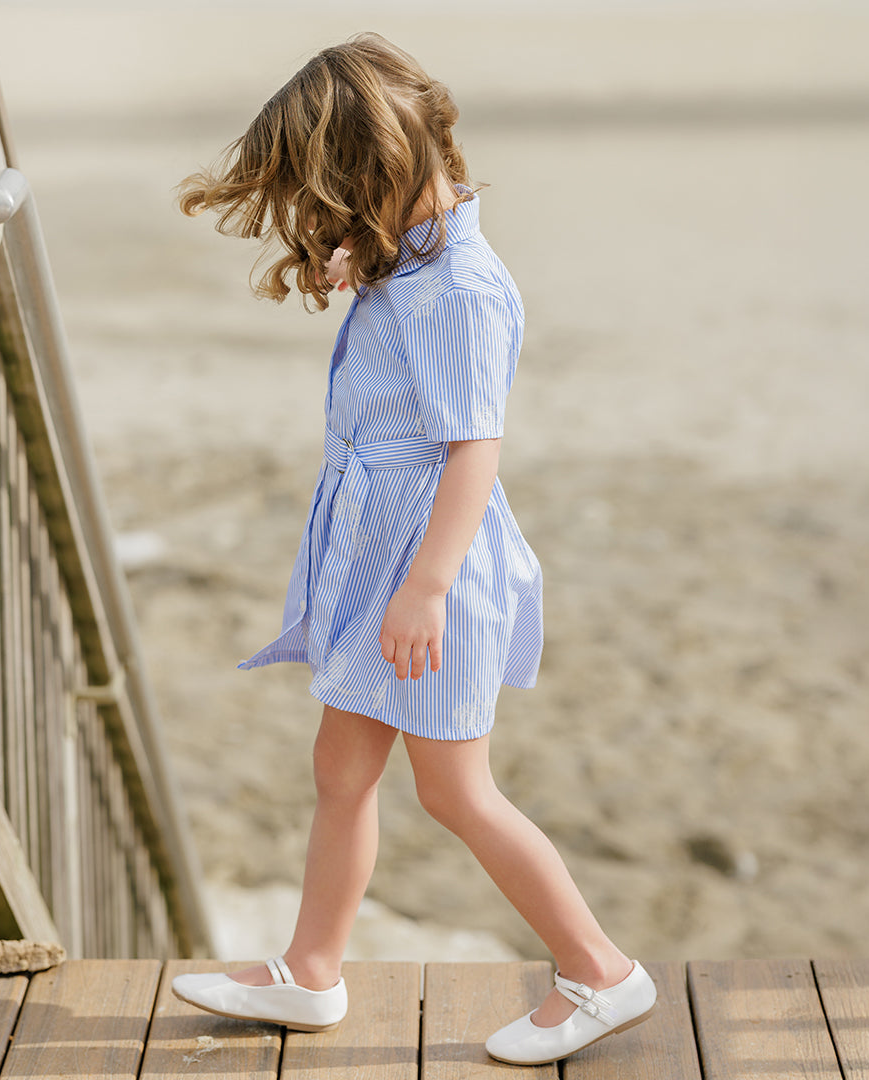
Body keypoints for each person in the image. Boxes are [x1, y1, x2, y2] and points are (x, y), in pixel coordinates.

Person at [170, 32, 656, 1065]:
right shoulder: (416, 260)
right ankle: (313, 971)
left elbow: (474, 449)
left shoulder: (463, 290)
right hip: (378, 558)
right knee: (341, 766)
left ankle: (601, 971)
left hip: (434, 569)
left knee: (455, 790)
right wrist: (365, 262)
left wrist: (427, 587)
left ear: (373, 171)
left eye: (336, 195)